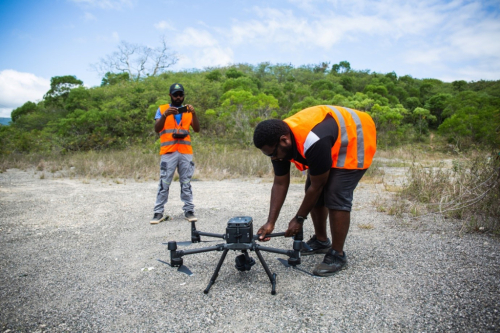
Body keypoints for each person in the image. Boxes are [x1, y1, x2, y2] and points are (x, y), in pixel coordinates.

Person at [253, 105, 376, 276]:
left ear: (284, 140)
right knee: (311, 187)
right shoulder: (278, 141)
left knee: (335, 192)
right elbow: (280, 183)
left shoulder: (314, 140)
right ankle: (321, 241)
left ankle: (337, 255)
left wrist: (299, 219)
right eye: (268, 155)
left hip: (355, 135)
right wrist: (270, 222)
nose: (273, 158)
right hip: (331, 139)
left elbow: (318, 186)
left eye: (272, 154)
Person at [150, 83, 200, 224]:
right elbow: (157, 128)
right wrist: (165, 116)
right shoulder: (162, 109)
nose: (178, 97)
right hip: (169, 152)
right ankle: (158, 212)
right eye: (175, 94)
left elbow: (196, 129)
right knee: (164, 182)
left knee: (186, 182)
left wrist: (194, 113)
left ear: (183, 95)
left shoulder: (188, 110)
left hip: (185, 151)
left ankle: (189, 210)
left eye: (181, 94)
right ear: (170, 95)